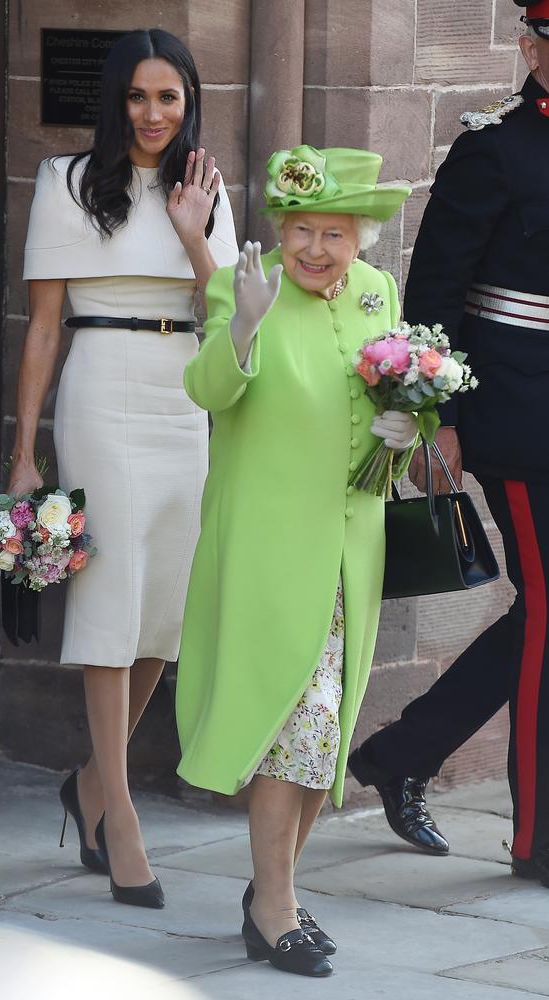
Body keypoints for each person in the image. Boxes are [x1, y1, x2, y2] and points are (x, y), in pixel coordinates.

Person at [8, 28, 238, 909]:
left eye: (169, 97)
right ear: (116, 101)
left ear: (189, 103)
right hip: (102, 391)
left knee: (165, 611)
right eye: (138, 97)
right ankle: (122, 809)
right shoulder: (66, 183)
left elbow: (224, 312)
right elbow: (42, 327)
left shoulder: (204, 188)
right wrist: (24, 452)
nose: (152, 114)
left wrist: (194, 236)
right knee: (111, 598)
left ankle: (90, 785)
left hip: (185, 394)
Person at [175, 145, 412, 977]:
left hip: (356, 544)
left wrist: (406, 428)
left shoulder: (381, 292)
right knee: (293, 729)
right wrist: (241, 322)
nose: (315, 248)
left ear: (362, 237)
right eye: (301, 230)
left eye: (335, 234)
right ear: (280, 229)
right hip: (271, 546)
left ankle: (275, 891)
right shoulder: (241, 285)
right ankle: (273, 906)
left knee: (325, 731)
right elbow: (207, 391)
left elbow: (396, 389)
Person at [348, 5, 549, 889]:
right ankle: (536, 840)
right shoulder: (493, 147)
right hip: (518, 415)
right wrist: (443, 420)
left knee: (543, 614)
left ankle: (403, 753)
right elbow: (432, 291)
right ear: (529, 45)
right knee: (545, 607)